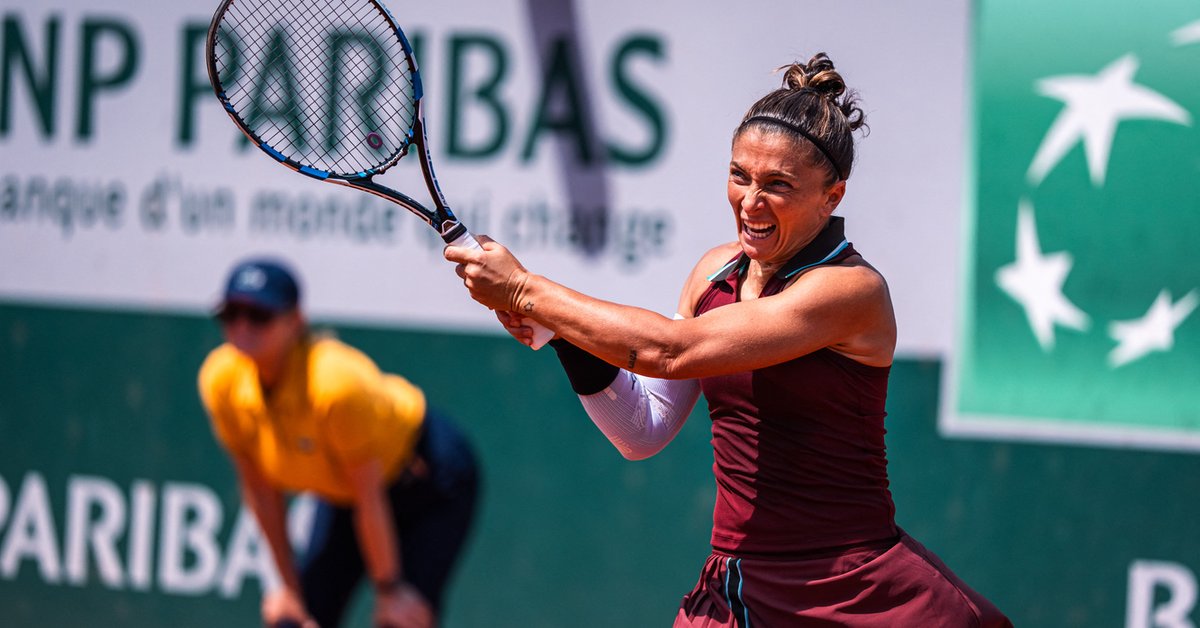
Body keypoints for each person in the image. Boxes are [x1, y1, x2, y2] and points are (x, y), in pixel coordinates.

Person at [445, 53, 1011, 627]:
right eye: (739, 175)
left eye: (778, 185)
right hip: (735, 589)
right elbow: (642, 429)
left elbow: (671, 351)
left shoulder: (849, 291)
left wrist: (524, 290)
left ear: (832, 197)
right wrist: (563, 334)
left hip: (852, 592)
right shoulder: (714, 273)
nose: (750, 201)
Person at [198, 257, 479, 628]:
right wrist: (288, 588)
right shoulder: (220, 380)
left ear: (295, 320)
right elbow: (260, 491)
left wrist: (389, 589)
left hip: (430, 478)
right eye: (231, 314)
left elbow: (369, 496)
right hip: (347, 493)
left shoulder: (334, 384)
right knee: (295, 620)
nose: (243, 327)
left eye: (259, 316)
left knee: (405, 619)